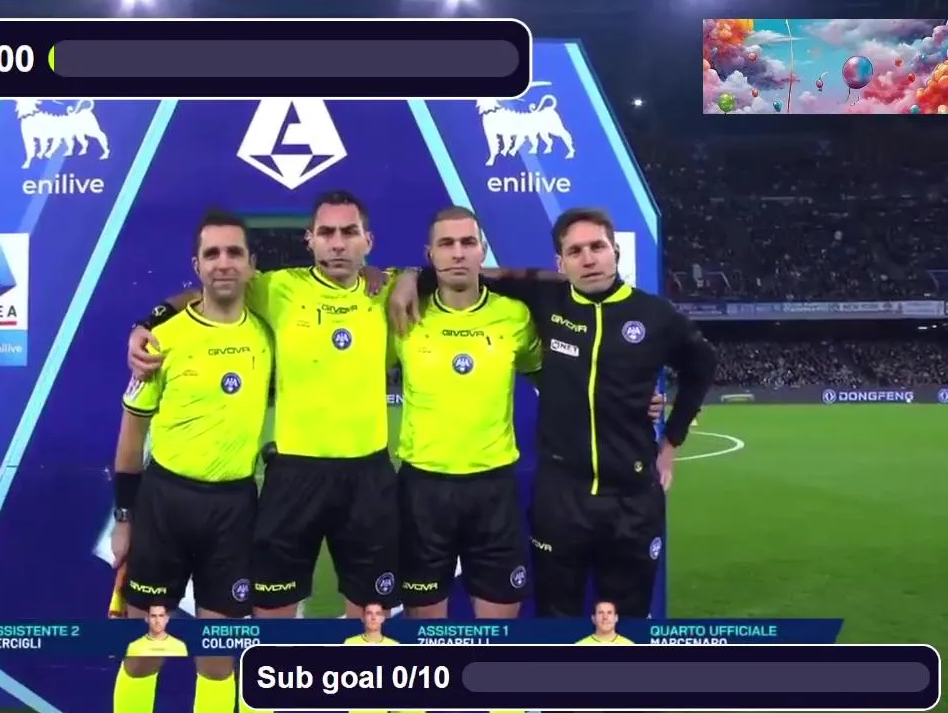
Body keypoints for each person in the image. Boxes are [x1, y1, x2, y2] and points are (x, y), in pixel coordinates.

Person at [390, 207, 716, 619]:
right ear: (560, 263)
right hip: (559, 497)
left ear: (615, 252)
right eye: (575, 251)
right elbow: (467, 274)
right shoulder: (546, 301)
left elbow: (702, 364)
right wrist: (411, 276)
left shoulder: (655, 314)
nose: (589, 259)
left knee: (628, 621)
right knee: (555, 617)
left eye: (597, 247)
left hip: (632, 496)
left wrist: (671, 441)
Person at [127, 190, 399, 622]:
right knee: (271, 616)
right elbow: (204, 291)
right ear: (309, 239)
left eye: (349, 232)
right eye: (326, 232)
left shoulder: (390, 288)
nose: (338, 243)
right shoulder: (277, 287)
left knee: (370, 620)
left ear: (369, 240)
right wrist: (146, 322)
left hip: (368, 475)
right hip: (293, 475)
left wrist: (408, 277)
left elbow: (476, 277)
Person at [111, 210, 270, 713]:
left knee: (218, 659)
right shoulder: (162, 341)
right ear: (196, 265)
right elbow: (131, 437)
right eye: (212, 253)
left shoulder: (268, 336)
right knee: (145, 652)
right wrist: (124, 518)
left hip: (234, 509)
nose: (223, 263)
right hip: (166, 507)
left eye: (234, 252)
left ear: (251, 265)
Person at [393, 207, 543, 622]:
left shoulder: (515, 316)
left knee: (499, 628)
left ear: (483, 250)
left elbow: (556, 379)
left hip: (493, 488)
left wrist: (628, 402)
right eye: (446, 244)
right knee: (426, 633)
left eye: (467, 242)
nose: (457, 252)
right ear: (430, 254)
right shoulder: (403, 315)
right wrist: (406, 276)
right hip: (423, 488)